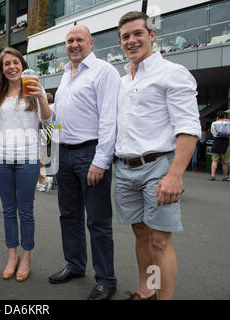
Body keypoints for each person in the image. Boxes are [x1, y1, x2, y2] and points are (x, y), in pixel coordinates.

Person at [115, 11, 201, 300]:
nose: (131, 40)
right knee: (141, 234)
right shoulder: (123, 80)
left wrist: (175, 174)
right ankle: (147, 290)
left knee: (160, 241)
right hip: (125, 168)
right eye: (125, 36)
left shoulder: (172, 72)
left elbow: (189, 127)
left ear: (152, 35)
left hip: (157, 167)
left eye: (138, 33)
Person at [47, 25, 120, 300]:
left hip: (90, 153)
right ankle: (76, 265)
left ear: (91, 42)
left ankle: (106, 280)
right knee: (69, 216)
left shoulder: (104, 71)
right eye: (69, 41)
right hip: (64, 153)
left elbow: (109, 119)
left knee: (98, 221)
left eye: (79, 40)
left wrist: (101, 161)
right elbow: (57, 117)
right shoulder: (66, 74)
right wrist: (43, 106)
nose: (74, 44)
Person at [0, 47, 52, 282]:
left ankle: (26, 256)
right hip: (2, 159)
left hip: (27, 158)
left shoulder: (34, 89)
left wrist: (40, 96)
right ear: (2, 69)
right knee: (8, 210)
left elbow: (48, 120)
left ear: (22, 64)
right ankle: (12, 256)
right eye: (6, 64)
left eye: (15, 62)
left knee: (25, 211)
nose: (11, 67)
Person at [210, 111, 230, 181]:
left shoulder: (214, 123)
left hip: (216, 141)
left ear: (217, 117)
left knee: (215, 160)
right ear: (225, 116)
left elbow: (212, 132)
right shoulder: (228, 123)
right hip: (226, 142)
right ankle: (225, 177)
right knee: (225, 161)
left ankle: (212, 176)